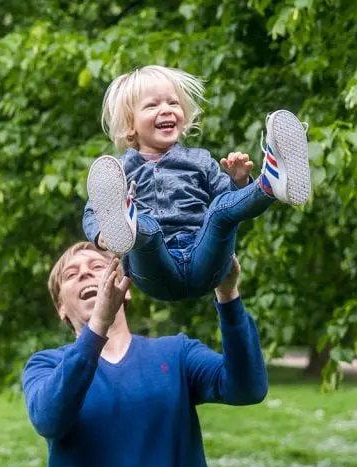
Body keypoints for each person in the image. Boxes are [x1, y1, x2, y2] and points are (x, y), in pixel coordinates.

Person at [22, 241, 269, 467]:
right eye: (71, 274)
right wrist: (98, 327)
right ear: (62, 309)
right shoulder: (46, 366)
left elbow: (247, 387)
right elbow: (49, 417)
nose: (85, 275)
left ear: (125, 290)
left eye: (97, 267)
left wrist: (228, 295)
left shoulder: (176, 354)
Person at [82, 64, 311, 301]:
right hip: (156, 272)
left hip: (206, 261)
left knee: (220, 210)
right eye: (152, 105)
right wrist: (101, 234)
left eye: (173, 103)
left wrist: (238, 181)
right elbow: (93, 210)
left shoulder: (200, 160)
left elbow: (231, 203)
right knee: (146, 226)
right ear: (131, 124)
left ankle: (270, 184)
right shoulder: (120, 172)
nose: (166, 110)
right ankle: (126, 226)